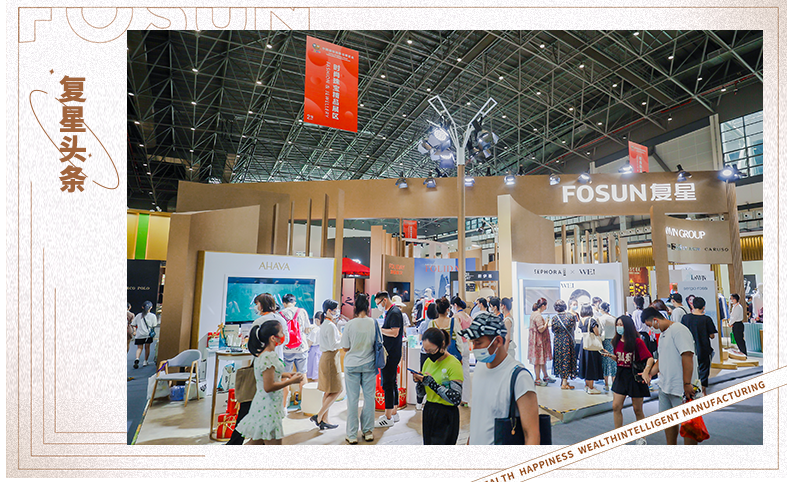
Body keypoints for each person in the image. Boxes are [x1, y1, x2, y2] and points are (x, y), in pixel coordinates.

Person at [459, 313, 540, 445]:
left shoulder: (519, 377)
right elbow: (478, 418)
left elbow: (532, 435)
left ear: (498, 341)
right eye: (473, 342)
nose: (474, 348)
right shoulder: (480, 367)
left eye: (479, 343)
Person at [226, 293, 287, 445]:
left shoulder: (260, 322)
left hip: (261, 364)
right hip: (277, 361)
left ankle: (236, 441)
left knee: (249, 403)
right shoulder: (281, 320)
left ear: (261, 304)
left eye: (256, 303)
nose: (255, 307)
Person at [234, 319, 304, 445]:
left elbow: (269, 374)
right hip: (268, 407)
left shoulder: (265, 354)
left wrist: (286, 375)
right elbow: (269, 386)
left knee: (256, 442)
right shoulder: (268, 357)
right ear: (273, 338)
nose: (283, 336)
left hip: (264, 404)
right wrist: (291, 381)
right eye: (281, 333)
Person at [641, 307, 700, 445]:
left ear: (655, 320)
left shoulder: (679, 330)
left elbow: (687, 355)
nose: (651, 329)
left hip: (681, 388)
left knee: (689, 425)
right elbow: (662, 359)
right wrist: (649, 373)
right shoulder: (663, 335)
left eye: (650, 325)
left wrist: (687, 383)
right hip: (665, 386)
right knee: (668, 422)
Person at [601, 315, 653, 445]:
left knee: (637, 409)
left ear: (628, 326)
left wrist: (646, 371)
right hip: (621, 374)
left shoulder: (637, 342)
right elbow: (620, 358)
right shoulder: (616, 341)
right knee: (616, 406)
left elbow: (649, 358)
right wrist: (611, 356)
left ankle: (642, 438)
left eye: (621, 324)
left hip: (634, 375)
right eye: (617, 324)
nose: (619, 327)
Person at [412, 327, 463, 445]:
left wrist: (432, 384)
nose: (429, 354)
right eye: (426, 351)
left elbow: (456, 398)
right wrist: (420, 382)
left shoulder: (454, 364)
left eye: (432, 351)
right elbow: (421, 394)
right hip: (429, 411)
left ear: (442, 345)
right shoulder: (428, 362)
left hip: (446, 414)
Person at [341, 293, 378, 444]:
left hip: (352, 365)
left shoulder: (350, 324)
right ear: (368, 307)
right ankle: (368, 431)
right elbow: (378, 344)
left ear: (355, 307)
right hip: (369, 364)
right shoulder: (374, 323)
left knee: (352, 400)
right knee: (369, 399)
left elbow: (345, 347)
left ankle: (351, 435)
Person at [374, 291, 404, 428]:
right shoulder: (392, 312)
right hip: (392, 352)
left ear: (384, 300)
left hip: (391, 354)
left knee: (387, 384)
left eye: (378, 303)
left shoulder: (394, 312)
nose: (378, 306)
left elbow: (394, 332)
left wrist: (380, 330)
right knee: (392, 382)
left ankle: (388, 417)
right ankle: (393, 412)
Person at [312, 301, 342, 430]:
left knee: (328, 391)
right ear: (329, 310)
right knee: (337, 390)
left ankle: (324, 419)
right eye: (336, 309)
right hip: (330, 358)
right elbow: (333, 345)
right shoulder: (330, 325)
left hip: (327, 357)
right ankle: (319, 416)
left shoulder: (325, 324)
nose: (337, 311)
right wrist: (345, 340)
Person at [681, 297, 718, 395]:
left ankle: (690, 390)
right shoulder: (707, 319)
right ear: (703, 307)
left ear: (692, 305)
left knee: (690, 369)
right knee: (704, 369)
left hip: (689, 348)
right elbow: (712, 336)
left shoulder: (685, 318)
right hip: (703, 348)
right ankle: (703, 390)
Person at [280, 294, 310, 411]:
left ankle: (284, 406)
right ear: (294, 302)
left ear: (283, 303)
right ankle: (305, 405)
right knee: (302, 375)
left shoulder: (280, 314)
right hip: (301, 348)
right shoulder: (302, 311)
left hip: (286, 349)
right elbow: (307, 329)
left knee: (285, 378)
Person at [451, 296, 473, 407]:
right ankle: (465, 399)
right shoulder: (468, 317)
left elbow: (457, 334)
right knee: (466, 372)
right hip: (467, 345)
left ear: (455, 305)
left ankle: (457, 396)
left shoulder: (456, 317)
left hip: (459, 346)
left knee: (456, 372)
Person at [551, 300, 578, 390]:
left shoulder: (554, 318)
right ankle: (564, 383)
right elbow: (574, 328)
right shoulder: (570, 316)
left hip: (558, 341)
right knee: (567, 360)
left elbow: (553, 330)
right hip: (567, 341)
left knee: (560, 360)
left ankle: (563, 380)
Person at [416, 303, 439, 410]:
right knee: (435, 376)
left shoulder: (423, 324)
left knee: (422, 375)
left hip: (424, 352)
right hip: (435, 353)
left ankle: (419, 402)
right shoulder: (437, 323)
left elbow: (420, 338)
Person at [577, 304, 604, 394]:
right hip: (591, 344)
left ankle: (587, 385)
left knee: (585, 363)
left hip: (584, 343)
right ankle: (591, 387)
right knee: (591, 364)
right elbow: (596, 332)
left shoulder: (581, 320)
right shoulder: (591, 320)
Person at [527, 297, 552, 386]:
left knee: (542, 359)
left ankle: (545, 376)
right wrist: (547, 322)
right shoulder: (538, 316)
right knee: (538, 360)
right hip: (538, 342)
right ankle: (537, 379)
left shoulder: (534, 314)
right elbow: (541, 329)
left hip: (536, 341)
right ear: (543, 306)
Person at [597, 302, 617, 392]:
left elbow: (599, 332)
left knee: (605, 362)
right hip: (614, 341)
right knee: (613, 362)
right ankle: (614, 383)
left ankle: (606, 384)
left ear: (601, 309)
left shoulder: (601, 319)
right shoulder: (614, 318)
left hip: (605, 341)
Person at [131, 301, 157, 369]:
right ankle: (145, 361)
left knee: (139, 348)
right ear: (151, 307)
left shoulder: (138, 315)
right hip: (148, 335)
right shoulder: (153, 316)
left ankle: (137, 358)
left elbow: (133, 324)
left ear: (142, 307)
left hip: (139, 334)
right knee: (147, 347)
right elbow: (154, 325)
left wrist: (134, 331)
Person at [306, 311, 322, 383]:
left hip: (314, 351)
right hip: (322, 350)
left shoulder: (315, 330)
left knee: (315, 370)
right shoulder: (325, 328)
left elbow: (309, 343)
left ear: (317, 320)